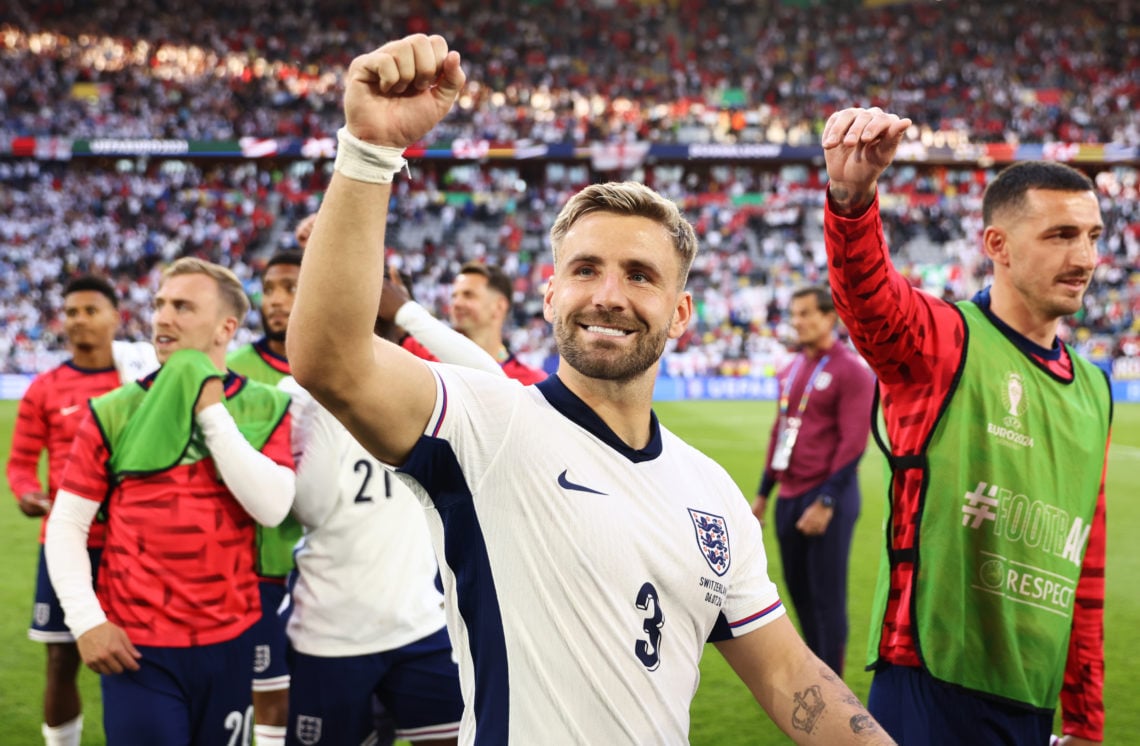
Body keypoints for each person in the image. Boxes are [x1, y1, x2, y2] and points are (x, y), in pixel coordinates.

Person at [287, 34, 892, 745]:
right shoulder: (485, 423)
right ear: (549, 295)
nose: (608, 295)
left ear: (681, 312)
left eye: (640, 274)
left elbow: (791, 677)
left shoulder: (713, 494)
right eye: (585, 270)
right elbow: (331, 359)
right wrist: (367, 150)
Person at [821, 107, 1109, 745]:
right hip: (930, 680)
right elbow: (871, 303)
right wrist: (853, 198)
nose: (1085, 256)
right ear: (997, 246)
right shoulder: (946, 341)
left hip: (1031, 696)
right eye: (1061, 234)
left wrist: (1085, 719)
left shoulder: (1096, 389)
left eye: (1092, 235)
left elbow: (1086, 561)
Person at [44, 257, 296, 745]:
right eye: (160, 304)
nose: (162, 317)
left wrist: (208, 407)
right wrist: (87, 621)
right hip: (138, 649)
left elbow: (271, 507)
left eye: (182, 306)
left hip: (231, 639)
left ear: (226, 326)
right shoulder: (113, 410)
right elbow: (67, 524)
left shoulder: (269, 406)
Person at [282, 268, 503, 746]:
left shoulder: (416, 381)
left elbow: (494, 382)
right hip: (330, 630)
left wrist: (406, 311)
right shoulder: (297, 392)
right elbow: (311, 510)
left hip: (420, 623)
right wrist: (324, 387)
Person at [6, 276, 156, 746]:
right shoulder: (44, 388)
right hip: (68, 545)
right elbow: (21, 463)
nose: (79, 321)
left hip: (133, 547)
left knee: (141, 660)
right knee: (60, 661)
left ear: (116, 317)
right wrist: (27, 492)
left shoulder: (141, 383)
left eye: (91, 310)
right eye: (71, 312)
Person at [752, 284, 874, 676]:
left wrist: (827, 501)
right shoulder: (791, 368)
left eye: (806, 313)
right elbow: (779, 432)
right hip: (789, 494)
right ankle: (816, 679)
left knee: (827, 600)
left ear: (830, 318)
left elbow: (854, 441)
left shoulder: (851, 371)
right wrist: (762, 494)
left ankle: (833, 687)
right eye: (795, 314)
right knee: (799, 596)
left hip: (826, 498)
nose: (798, 322)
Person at [226, 250, 304, 746]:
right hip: (263, 563)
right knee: (266, 692)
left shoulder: (348, 362)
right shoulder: (234, 370)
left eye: (290, 288)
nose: (275, 300)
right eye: (269, 288)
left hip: (340, 564)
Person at [449, 260, 547, 383]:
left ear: (499, 306)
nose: (456, 303)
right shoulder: (435, 371)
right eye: (454, 296)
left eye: (468, 295)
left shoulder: (532, 385)